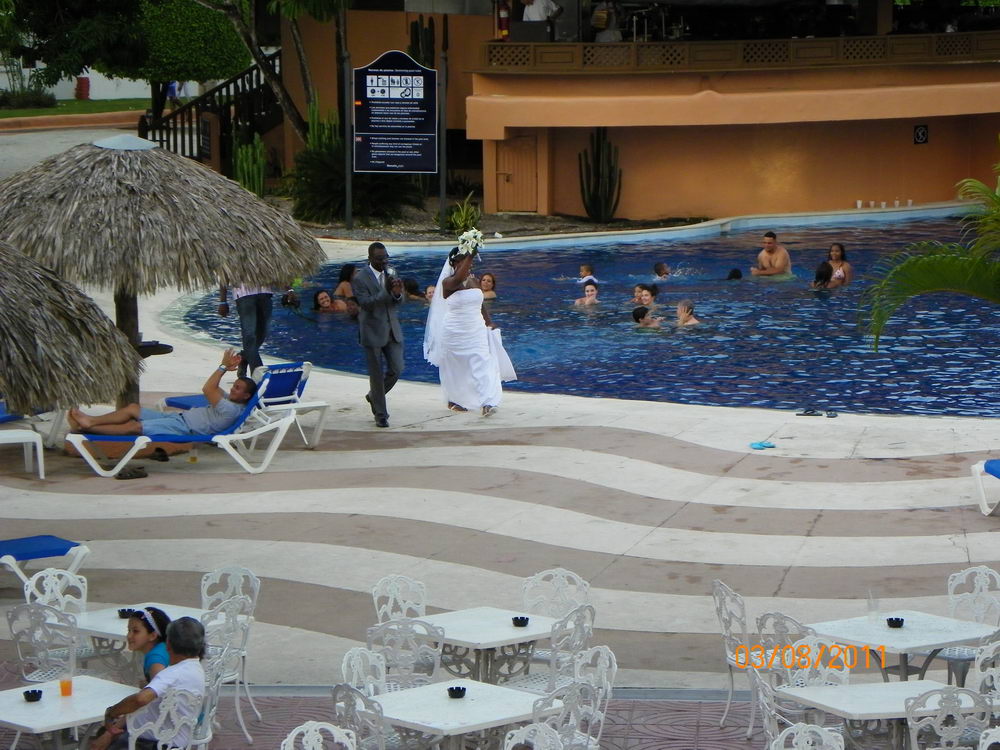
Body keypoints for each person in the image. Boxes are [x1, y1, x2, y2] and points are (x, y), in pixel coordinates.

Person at [68, 349, 256, 436]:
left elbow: (208, 389)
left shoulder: (230, 409)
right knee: (133, 408)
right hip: (178, 418)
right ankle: (91, 421)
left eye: (237, 388)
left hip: (183, 428)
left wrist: (222, 367)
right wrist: (225, 368)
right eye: (234, 385)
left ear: (246, 396)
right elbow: (213, 387)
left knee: (135, 427)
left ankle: (87, 428)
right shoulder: (231, 400)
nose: (232, 389)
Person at [95, 617, 206, 750]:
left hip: (151, 743)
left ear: (168, 644)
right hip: (175, 740)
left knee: (102, 737)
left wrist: (111, 712)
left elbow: (140, 699)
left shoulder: (171, 674)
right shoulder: (195, 668)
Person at [424, 247, 508, 417]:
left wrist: (489, 322)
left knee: (483, 362)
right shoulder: (448, 283)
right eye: (464, 262)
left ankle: (488, 402)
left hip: (476, 329)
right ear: (455, 263)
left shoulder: (474, 280)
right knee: (456, 366)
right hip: (454, 330)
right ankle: (454, 399)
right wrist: (471, 251)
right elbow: (459, 277)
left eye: (469, 262)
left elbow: (480, 304)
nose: (469, 265)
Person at [354, 242, 404, 428]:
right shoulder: (360, 278)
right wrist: (386, 291)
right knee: (376, 375)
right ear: (370, 259)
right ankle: (381, 415)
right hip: (372, 331)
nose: (383, 261)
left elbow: (398, 301)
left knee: (397, 369)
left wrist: (397, 294)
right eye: (379, 259)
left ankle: (374, 396)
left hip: (392, 330)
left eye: (385, 257)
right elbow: (366, 303)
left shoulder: (392, 272)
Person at [218, 284, 273, 378]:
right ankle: (258, 376)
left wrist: (289, 290)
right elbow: (224, 277)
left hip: (265, 292)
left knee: (263, 334)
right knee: (249, 336)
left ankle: (243, 357)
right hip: (244, 294)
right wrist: (223, 301)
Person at [126, 607, 172, 683]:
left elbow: (159, 688)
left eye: (136, 631)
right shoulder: (163, 647)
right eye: (129, 630)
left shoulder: (155, 659)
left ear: (153, 636)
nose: (129, 636)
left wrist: (146, 687)